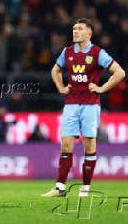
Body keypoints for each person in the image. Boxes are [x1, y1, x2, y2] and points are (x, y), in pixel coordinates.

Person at [42, 18, 125, 197]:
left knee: (89, 145)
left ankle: (85, 187)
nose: (75, 32)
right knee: (66, 145)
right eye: (74, 29)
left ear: (89, 33)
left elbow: (120, 72)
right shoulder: (67, 52)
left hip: (90, 105)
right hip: (71, 103)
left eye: (79, 29)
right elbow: (55, 70)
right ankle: (60, 187)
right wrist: (60, 87)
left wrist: (102, 88)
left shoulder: (97, 53)